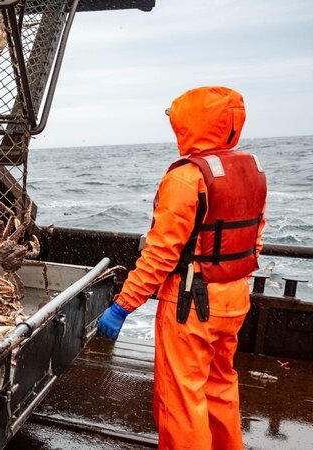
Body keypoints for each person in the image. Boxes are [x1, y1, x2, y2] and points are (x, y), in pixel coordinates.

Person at [97, 86, 267, 450]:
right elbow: (255, 241)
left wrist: (123, 305)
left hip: (190, 305)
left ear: (190, 124)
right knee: (220, 385)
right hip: (235, 298)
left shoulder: (186, 178)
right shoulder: (252, 171)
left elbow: (161, 254)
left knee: (181, 399)